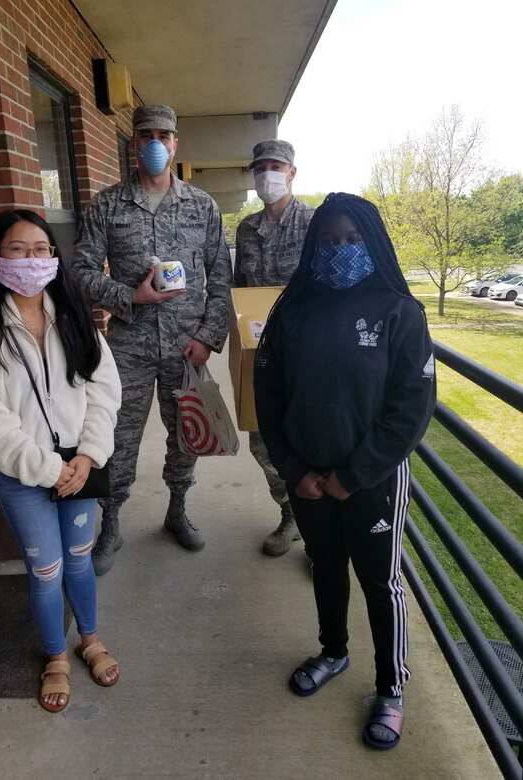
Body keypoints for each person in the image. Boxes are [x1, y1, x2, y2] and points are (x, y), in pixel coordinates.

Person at [254, 193, 436, 750]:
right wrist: (295, 469)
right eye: (329, 241)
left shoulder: (399, 311)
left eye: (353, 241)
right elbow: (268, 392)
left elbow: (411, 407)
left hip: (372, 480)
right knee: (326, 566)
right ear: (314, 246)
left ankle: (391, 687)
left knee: (381, 582)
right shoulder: (292, 311)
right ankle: (333, 651)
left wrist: (351, 476)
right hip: (307, 477)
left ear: (373, 244)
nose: (341, 250)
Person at [0, 210, 122, 713]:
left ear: (54, 257)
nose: (31, 259)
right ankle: (55, 656)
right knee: (46, 570)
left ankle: (88, 639)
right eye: (17, 249)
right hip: (24, 475)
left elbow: (104, 392)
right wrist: (50, 469)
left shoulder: (74, 320)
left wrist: (87, 456)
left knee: (79, 559)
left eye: (41, 249)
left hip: (82, 467)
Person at [71, 104, 232, 574]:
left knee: (187, 435)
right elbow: (80, 273)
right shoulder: (106, 204)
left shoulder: (201, 206)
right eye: (146, 135)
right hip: (129, 347)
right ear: (133, 144)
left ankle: (177, 510)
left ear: (176, 143)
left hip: (188, 347)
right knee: (116, 438)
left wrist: (208, 336)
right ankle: (112, 522)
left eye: (164, 135)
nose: (156, 143)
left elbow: (221, 277)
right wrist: (130, 296)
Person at [234, 139, 314, 556]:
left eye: (276, 165)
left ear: (292, 172)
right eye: (260, 166)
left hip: (308, 356)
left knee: (313, 439)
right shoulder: (247, 230)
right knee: (263, 442)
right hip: (262, 356)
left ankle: (322, 535)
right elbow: (239, 293)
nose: (268, 173)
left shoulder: (316, 223)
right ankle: (290, 513)